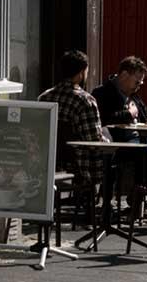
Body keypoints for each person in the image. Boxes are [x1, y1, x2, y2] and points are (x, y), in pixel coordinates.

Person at [92, 56, 147, 180]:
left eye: (140, 83)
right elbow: (102, 118)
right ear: (124, 75)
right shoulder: (102, 93)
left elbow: (146, 122)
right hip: (119, 144)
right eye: (137, 82)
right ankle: (139, 195)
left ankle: (142, 194)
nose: (139, 86)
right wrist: (128, 113)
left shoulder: (134, 96)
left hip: (142, 140)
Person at [39, 50, 109, 187]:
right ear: (81, 73)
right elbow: (94, 141)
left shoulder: (44, 97)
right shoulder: (85, 101)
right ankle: (101, 199)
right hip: (80, 164)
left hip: (50, 161)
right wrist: (109, 142)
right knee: (109, 150)